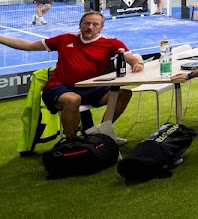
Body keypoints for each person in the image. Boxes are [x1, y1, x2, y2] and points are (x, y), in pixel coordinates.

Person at [0, 10, 144, 141]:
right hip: (60, 87)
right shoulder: (64, 39)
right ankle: (72, 143)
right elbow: (30, 46)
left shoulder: (111, 43)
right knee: (72, 99)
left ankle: (102, 133)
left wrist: (136, 64)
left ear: (101, 27)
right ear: (80, 24)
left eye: (95, 24)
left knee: (124, 94)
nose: (90, 27)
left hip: (91, 87)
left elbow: (130, 58)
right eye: (87, 23)